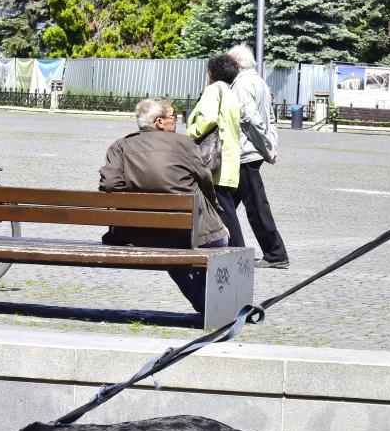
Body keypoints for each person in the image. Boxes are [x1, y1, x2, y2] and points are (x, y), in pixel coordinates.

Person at [98, 97, 229, 313]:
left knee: (169, 250)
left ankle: (205, 303)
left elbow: (110, 184)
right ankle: (209, 304)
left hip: (138, 234)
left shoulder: (120, 146)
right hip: (187, 232)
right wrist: (218, 215)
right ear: (159, 122)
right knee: (219, 242)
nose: (176, 121)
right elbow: (205, 179)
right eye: (173, 117)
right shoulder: (183, 143)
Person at [227, 44, 289, 269]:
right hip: (253, 150)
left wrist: (267, 149)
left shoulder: (241, 85)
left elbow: (252, 120)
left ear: (236, 63)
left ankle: (276, 253)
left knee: (256, 207)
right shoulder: (259, 82)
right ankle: (220, 246)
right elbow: (270, 118)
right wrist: (271, 145)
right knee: (223, 204)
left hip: (246, 152)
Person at [186, 54, 244, 247]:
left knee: (225, 210)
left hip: (215, 162)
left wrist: (191, 133)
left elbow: (208, 119)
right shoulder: (230, 93)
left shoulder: (213, 90)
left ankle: (238, 253)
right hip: (228, 160)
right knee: (224, 208)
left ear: (211, 73)